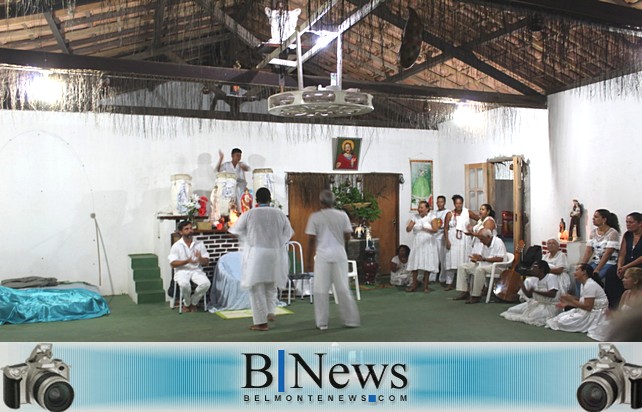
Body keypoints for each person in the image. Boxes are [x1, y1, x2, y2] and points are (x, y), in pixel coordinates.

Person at [228, 187, 294, 331]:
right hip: (275, 253)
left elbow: (234, 231)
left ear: (256, 200)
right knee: (271, 284)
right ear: (270, 198)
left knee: (256, 287)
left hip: (257, 254)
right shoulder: (280, 214)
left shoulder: (250, 214)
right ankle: (270, 311)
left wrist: (249, 237)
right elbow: (289, 233)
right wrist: (276, 242)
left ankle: (261, 322)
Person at [306, 189, 360, 330]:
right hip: (339, 254)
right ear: (333, 201)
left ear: (321, 201)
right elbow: (348, 236)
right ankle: (351, 320)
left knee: (320, 290)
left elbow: (311, 240)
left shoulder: (315, 217)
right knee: (343, 288)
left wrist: (307, 261)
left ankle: (322, 322)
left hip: (323, 256)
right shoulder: (342, 215)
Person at [545, 264, 609, 340]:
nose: (574, 273)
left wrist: (571, 300)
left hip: (595, 313)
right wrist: (568, 303)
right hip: (586, 311)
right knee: (558, 319)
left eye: (577, 270)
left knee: (562, 322)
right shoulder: (584, 284)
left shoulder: (590, 285)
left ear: (584, 272)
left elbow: (588, 307)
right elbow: (582, 300)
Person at [453, 228, 507, 304]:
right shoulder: (485, 243)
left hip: (497, 267)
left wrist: (483, 259)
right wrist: (476, 258)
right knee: (462, 267)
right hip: (485, 264)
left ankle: (476, 296)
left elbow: (500, 259)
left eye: (482, 239)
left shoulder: (498, 242)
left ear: (488, 237)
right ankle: (464, 291)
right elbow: (483, 257)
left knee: (479, 270)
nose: (481, 241)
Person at [500, 260, 561, 326]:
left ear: (542, 269)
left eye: (534, 267)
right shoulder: (537, 280)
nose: (531, 269)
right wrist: (522, 285)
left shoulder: (551, 277)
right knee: (512, 310)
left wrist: (535, 291)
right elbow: (529, 295)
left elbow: (552, 294)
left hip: (549, 306)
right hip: (538, 303)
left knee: (531, 317)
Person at [168, 221, 211, 312]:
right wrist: (186, 261)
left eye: (191, 228)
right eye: (186, 229)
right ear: (180, 232)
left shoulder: (199, 244)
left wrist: (200, 258)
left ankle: (193, 302)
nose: (190, 230)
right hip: (181, 271)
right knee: (184, 284)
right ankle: (187, 303)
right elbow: (172, 264)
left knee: (206, 284)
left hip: (196, 270)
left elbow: (206, 262)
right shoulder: (176, 246)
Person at [603, 212, 642, 308]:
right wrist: (620, 266)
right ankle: (613, 306)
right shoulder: (627, 235)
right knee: (611, 272)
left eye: (631, 222)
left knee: (630, 274)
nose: (628, 225)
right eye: (626, 222)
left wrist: (626, 267)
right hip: (626, 263)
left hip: (638, 264)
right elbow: (622, 253)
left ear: (640, 223)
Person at [405, 200, 439, 292]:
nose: (419, 209)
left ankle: (426, 286)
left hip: (428, 242)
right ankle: (414, 285)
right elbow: (408, 229)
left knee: (427, 263)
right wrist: (409, 226)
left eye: (422, 207)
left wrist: (426, 228)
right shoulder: (415, 217)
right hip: (418, 242)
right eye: (419, 207)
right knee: (415, 263)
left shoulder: (432, 217)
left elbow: (436, 229)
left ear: (427, 208)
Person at [580, 209, 620, 282]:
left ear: (604, 219)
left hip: (608, 262)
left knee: (593, 280)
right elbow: (589, 250)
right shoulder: (593, 232)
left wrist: (597, 269)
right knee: (579, 276)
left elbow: (608, 254)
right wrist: (582, 265)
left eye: (596, 217)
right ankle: (583, 293)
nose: (593, 219)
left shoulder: (613, 233)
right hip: (596, 261)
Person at [443, 194, 472, 291]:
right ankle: (449, 283)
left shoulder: (467, 212)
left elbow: (479, 219)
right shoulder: (449, 214)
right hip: (453, 239)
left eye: (460, 203)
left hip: (464, 239)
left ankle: (465, 283)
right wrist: (447, 240)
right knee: (451, 260)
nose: (458, 205)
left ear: (462, 203)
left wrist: (472, 228)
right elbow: (445, 228)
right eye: (457, 203)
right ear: (454, 204)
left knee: (463, 259)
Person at [433, 195, 449, 288]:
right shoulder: (433, 213)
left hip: (442, 237)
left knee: (443, 259)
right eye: (438, 202)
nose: (440, 204)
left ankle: (443, 278)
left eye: (441, 202)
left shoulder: (447, 212)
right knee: (434, 258)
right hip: (434, 237)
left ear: (444, 202)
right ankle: (432, 277)